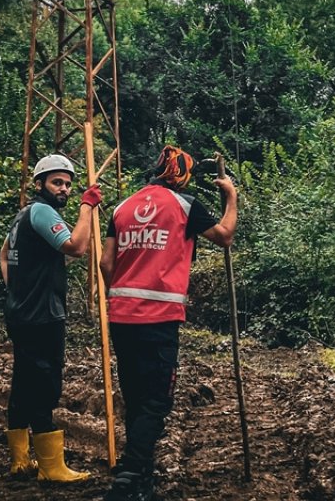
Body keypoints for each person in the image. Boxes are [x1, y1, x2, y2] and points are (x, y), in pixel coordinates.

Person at [99, 145, 237, 501]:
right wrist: (231, 197)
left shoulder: (121, 207)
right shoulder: (185, 205)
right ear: (182, 175)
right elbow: (224, 236)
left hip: (121, 315)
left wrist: (127, 288)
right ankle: (130, 476)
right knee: (157, 402)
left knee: (135, 396)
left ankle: (140, 475)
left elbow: (105, 264)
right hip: (158, 319)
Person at [0, 154, 101, 482]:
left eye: (69, 185)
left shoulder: (23, 215)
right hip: (42, 316)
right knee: (45, 385)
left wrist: (16, 287)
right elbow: (76, 247)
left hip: (21, 312)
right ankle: (50, 467)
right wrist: (87, 208)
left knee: (23, 382)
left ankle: (19, 460)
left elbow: (4, 255)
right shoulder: (43, 211)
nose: (65, 189)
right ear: (40, 183)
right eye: (57, 182)